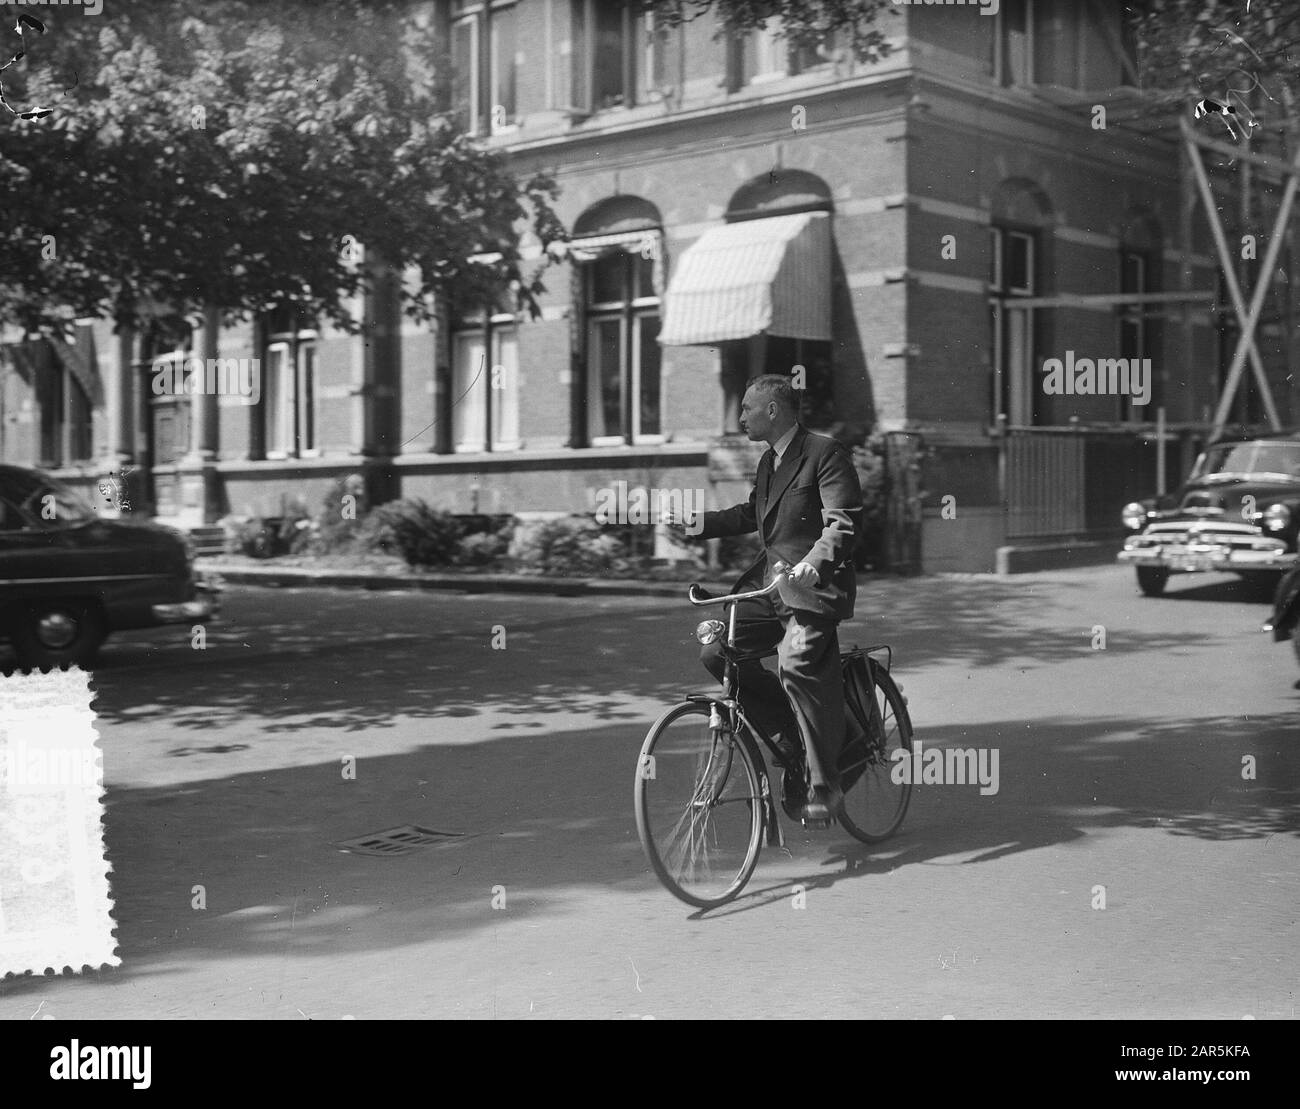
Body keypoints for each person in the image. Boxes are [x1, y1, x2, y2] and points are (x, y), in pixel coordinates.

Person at [665, 375, 863, 824]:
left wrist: (814, 563)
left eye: (747, 410)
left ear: (773, 410)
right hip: (769, 588)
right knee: (717, 652)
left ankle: (823, 784)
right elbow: (750, 514)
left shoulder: (825, 454)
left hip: (811, 588)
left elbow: (843, 522)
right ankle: (791, 737)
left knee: (795, 663)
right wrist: (698, 523)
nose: (740, 418)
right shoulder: (768, 462)